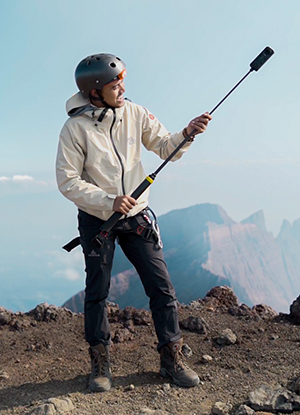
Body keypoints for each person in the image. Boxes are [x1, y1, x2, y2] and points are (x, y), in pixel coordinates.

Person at [56, 53, 212, 392]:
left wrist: (187, 133)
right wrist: (108, 200)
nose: (122, 88)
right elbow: (67, 181)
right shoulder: (74, 129)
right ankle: (100, 365)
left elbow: (164, 145)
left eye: (122, 81)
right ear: (95, 91)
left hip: (137, 216)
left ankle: (171, 359)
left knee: (162, 288)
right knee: (97, 293)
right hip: (99, 221)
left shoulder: (135, 112)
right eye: (115, 84)